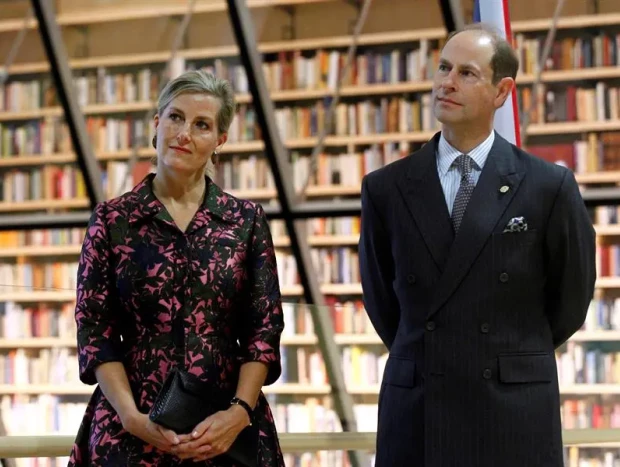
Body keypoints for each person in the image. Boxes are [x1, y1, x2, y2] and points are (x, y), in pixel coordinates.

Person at [358, 23, 596, 467]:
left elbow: (571, 300)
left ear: (502, 92)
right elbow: (381, 300)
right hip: (420, 406)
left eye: (467, 73)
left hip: (512, 408)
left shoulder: (549, 186)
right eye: (444, 67)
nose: (447, 82)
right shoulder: (385, 188)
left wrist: (504, 350)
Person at [67, 69, 286, 466]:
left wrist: (238, 413)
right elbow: (94, 329)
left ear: (220, 140)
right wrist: (131, 418)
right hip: (129, 426)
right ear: (157, 124)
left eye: (201, 125)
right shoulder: (112, 220)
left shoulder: (246, 221)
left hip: (224, 428)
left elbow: (264, 331)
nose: (184, 133)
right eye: (175, 117)